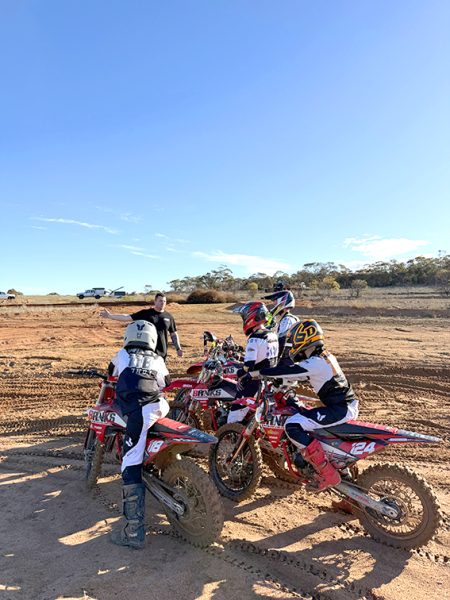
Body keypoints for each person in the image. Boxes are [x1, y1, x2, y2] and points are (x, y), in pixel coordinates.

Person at [261, 320, 358, 492]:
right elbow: (300, 375)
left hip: (341, 409)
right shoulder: (325, 357)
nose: (293, 344)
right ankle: (346, 485)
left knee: (292, 425)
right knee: (305, 417)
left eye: (295, 340)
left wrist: (262, 371)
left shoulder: (315, 362)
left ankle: (327, 474)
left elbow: (292, 371)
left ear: (304, 339)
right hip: (345, 406)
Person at [109, 320, 170, 549]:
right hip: (158, 406)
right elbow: (165, 382)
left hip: (139, 411)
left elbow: (111, 372)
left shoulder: (123, 354)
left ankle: (133, 533)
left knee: (129, 466)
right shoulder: (158, 359)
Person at [228, 301, 278, 423]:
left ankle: (230, 432)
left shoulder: (255, 337)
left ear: (251, 316)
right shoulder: (272, 334)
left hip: (255, 382)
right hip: (268, 381)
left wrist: (240, 373)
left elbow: (248, 366)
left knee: (233, 418)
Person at [100, 292, 183, 360]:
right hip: (147, 350)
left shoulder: (169, 317)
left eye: (164, 301)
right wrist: (110, 316)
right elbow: (127, 317)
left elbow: (173, 334)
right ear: (155, 301)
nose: (163, 303)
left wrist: (178, 348)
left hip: (162, 352)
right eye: (160, 301)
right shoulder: (146, 313)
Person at [263, 290, 299, 356]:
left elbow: (281, 341)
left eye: (275, 301)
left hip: (286, 357)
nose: (273, 304)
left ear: (282, 302)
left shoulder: (287, 320)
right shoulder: (288, 318)